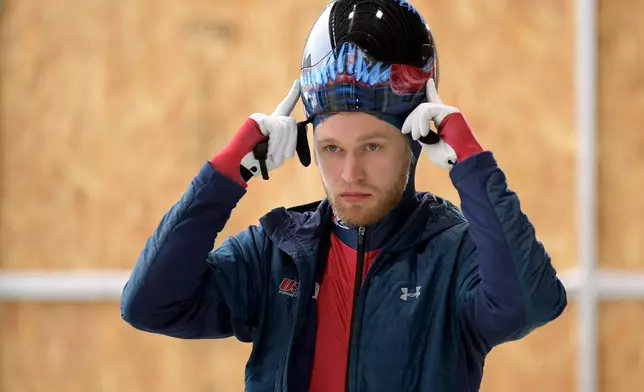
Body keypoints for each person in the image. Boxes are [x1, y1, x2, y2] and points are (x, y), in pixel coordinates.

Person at [120, 0, 568, 391]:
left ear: (414, 143)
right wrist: (225, 173)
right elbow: (150, 305)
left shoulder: (453, 256)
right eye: (331, 149)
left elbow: (528, 304)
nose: (349, 173)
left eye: (372, 147)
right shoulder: (274, 253)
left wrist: (472, 167)